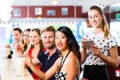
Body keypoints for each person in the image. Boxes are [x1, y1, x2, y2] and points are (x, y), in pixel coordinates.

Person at [81, 5, 119, 80]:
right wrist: (83, 50)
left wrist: (100, 55)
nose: (93, 20)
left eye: (96, 16)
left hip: (100, 73)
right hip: (87, 72)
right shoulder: (87, 36)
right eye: (90, 17)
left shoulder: (110, 38)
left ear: (102, 16)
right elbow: (82, 61)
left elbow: (115, 64)